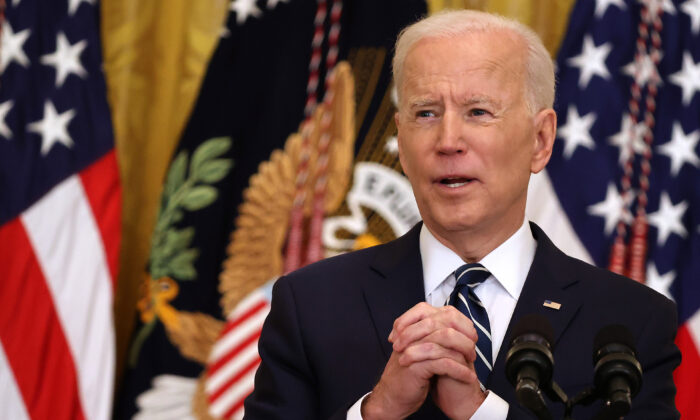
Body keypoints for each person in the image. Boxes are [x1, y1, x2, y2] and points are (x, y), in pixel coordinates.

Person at [243, 9, 680, 419]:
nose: (448, 140)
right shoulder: (310, 306)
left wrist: (481, 413)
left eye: (478, 112)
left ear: (541, 140)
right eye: (426, 113)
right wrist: (377, 412)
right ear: (401, 140)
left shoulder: (631, 324)